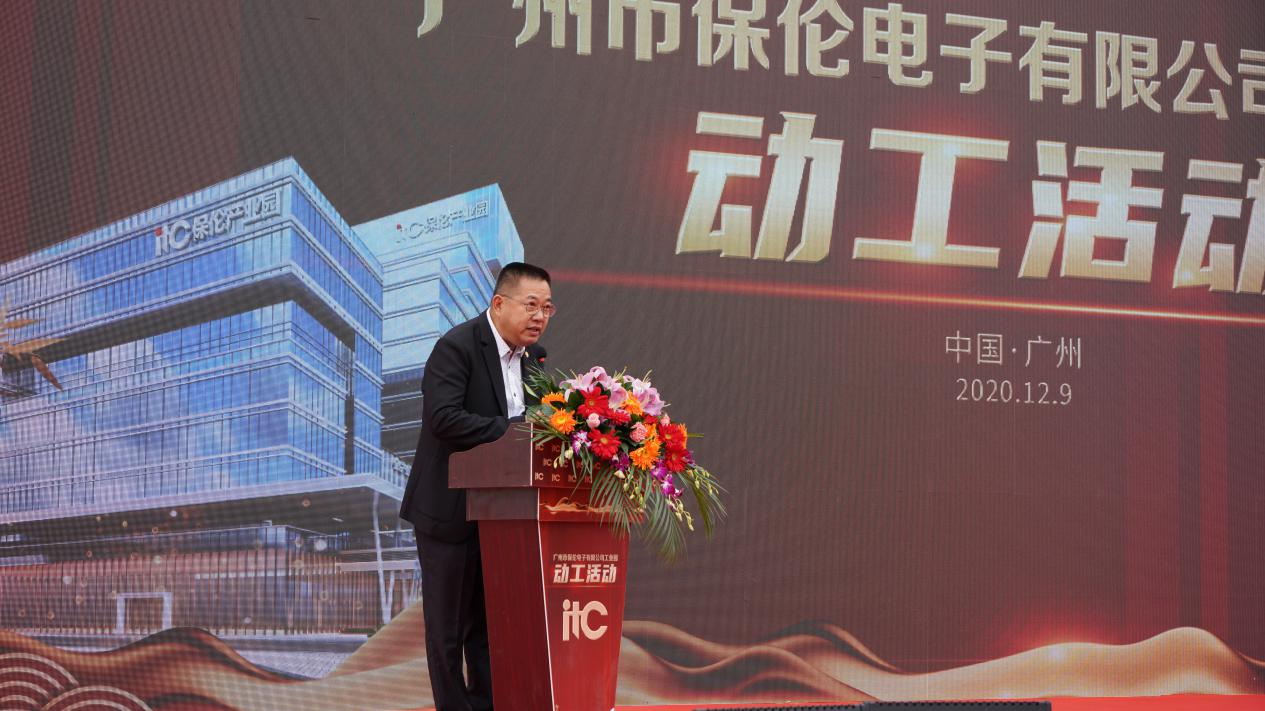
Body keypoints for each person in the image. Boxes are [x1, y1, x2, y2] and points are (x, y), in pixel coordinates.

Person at [400, 262, 553, 711]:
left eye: (547, 308)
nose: (539, 317)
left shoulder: (535, 360)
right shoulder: (457, 346)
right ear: (499, 303)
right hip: (447, 510)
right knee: (447, 631)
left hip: (501, 516)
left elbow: (541, 426)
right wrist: (515, 428)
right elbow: (444, 419)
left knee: (488, 628)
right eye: (531, 305)